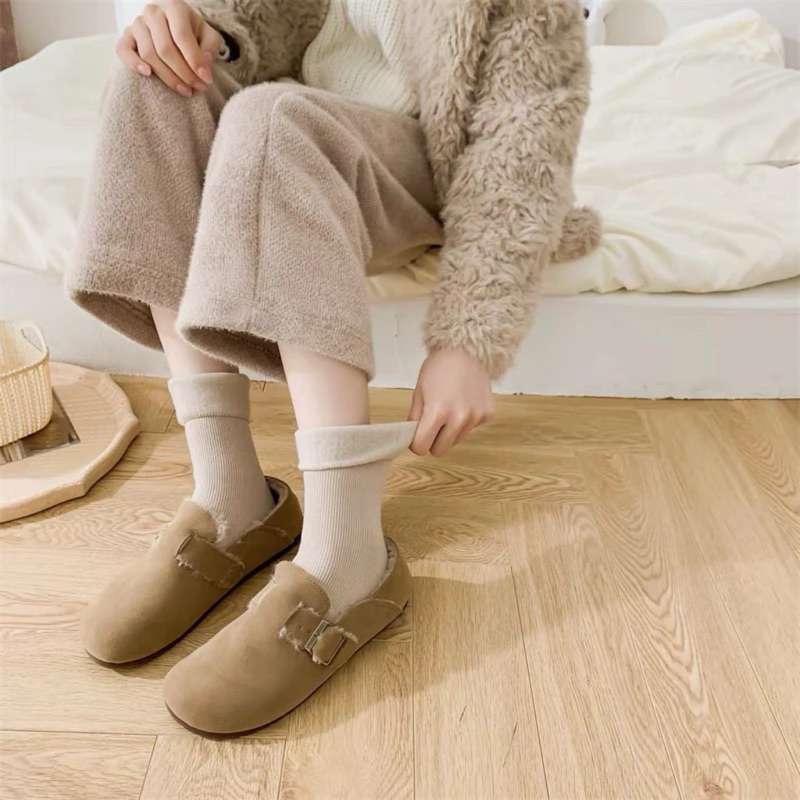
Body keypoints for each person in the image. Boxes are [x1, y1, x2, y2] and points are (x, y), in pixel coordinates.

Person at [67, 0, 599, 735]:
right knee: (150, 81)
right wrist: (206, 29)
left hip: (422, 160)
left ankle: (346, 558)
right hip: (290, 122)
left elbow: (522, 146)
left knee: (275, 119)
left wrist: (468, 340)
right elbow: (266, 15)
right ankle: (230, 499)